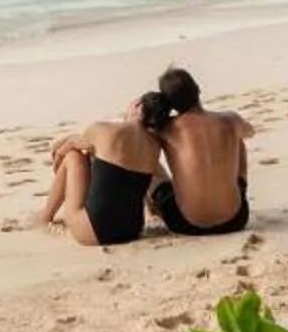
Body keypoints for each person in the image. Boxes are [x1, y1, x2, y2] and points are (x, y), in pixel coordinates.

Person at [31, 91, 168, 247]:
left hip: (93, 233)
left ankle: (45, 217)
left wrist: (58, 167)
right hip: (132, 230)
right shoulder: (154, 146)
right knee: (122, 172)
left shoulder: (102, 129)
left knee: (72, 156)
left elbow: (66, 148)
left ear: (138, 106)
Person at [148, 65, 253, 235]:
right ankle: (233, 193)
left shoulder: (166, 129)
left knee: (148, 157)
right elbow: (250, 131)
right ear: (198, 89)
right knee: (238, 139)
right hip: (236, 219)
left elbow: (141, 145)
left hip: (186, 223)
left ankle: (151, 209)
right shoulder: (229, 119)